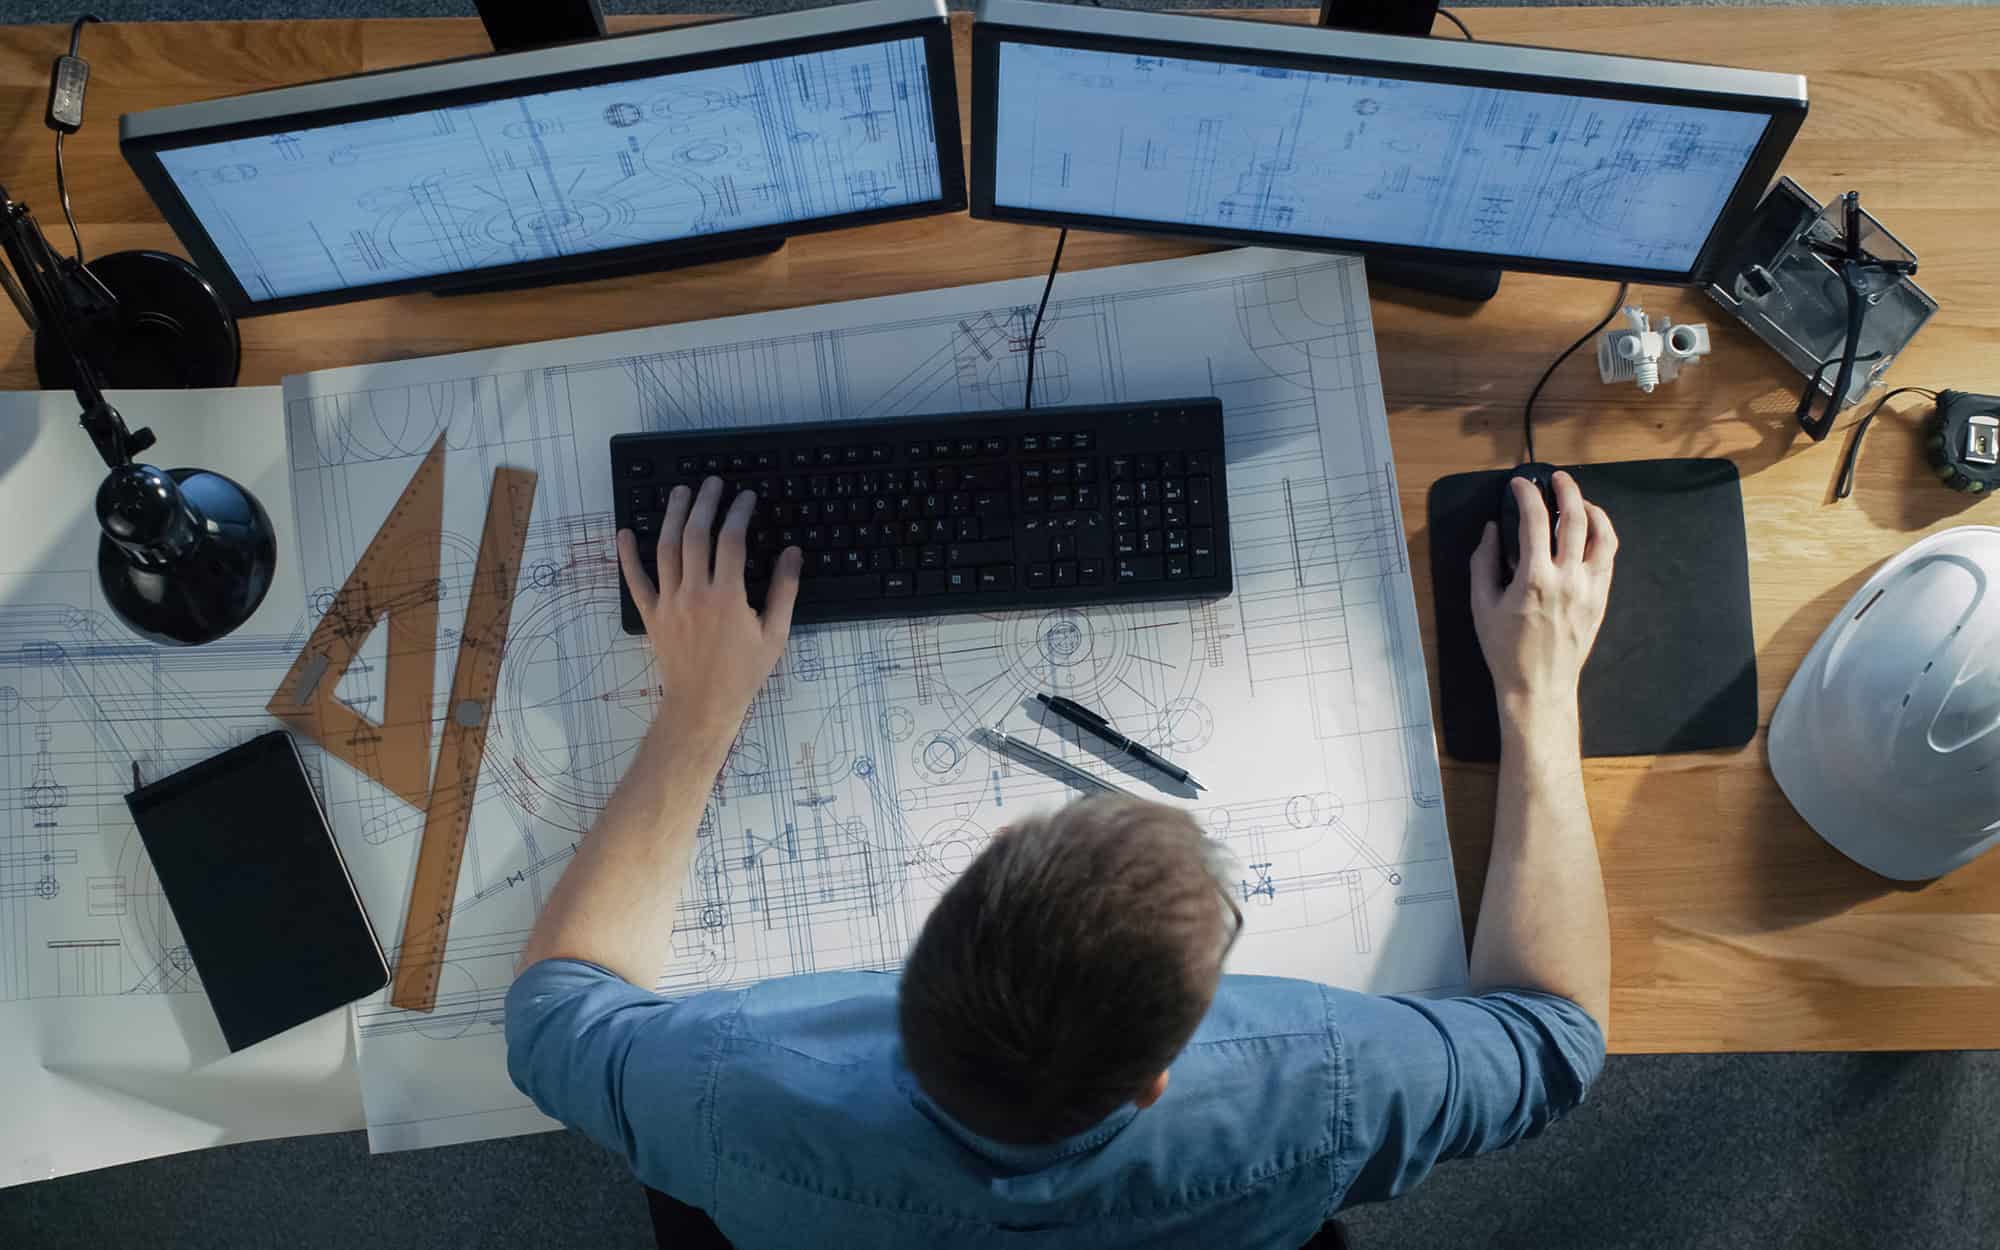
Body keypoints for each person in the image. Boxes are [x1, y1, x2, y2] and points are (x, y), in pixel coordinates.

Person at [507, 471, 1617, 1249]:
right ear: (1155, 1077)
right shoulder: (1321, 1084)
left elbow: (553, 1009)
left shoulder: (724, 1085)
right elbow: (1553, 1036)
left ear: (912, 969)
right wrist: (1535, 691)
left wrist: (699, 707)